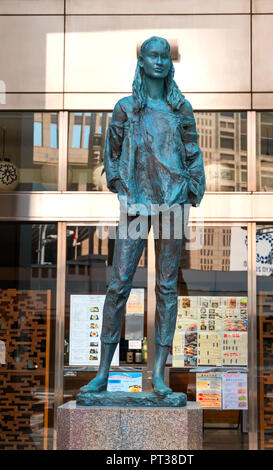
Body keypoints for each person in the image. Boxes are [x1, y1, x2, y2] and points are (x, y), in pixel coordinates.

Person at [80, 36, 205, 397]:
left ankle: (160, 377)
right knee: (118, 284)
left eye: (165, 56)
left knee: (167, 288)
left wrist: (194, 185)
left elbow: (193, 151)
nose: (160, 61)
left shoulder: (180, 108)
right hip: (137, 205)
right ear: (142, 61)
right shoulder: (126, 108)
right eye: (153, 55)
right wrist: (123, 189)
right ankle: (102, 373)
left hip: (173, 204)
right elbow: (113, 156)